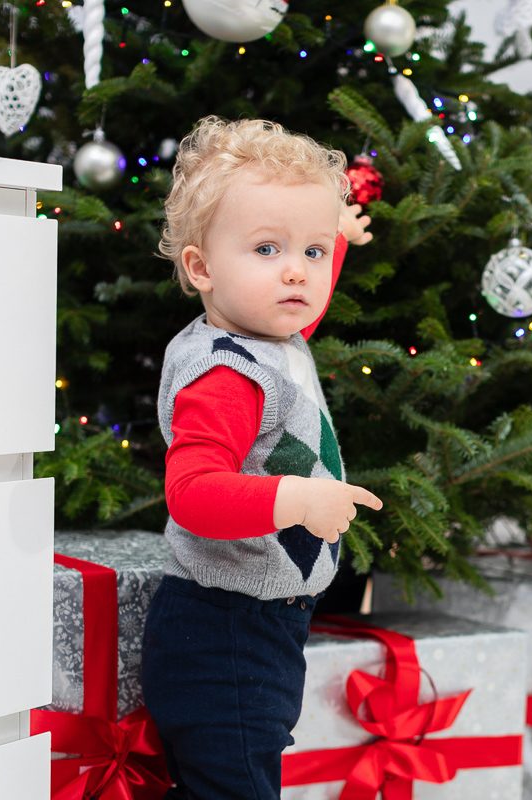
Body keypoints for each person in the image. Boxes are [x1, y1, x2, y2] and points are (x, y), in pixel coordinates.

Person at [141, 115, 381, 799]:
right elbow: (192, 491)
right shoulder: (226, 375)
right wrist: (297, 500)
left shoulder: (272, 335)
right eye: (268, 247)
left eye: (308, 253)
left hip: (261, 625)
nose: (296, 273)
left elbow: (303, 301)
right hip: (224, 635)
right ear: (201, 268)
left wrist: (335, 238)